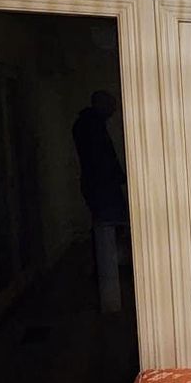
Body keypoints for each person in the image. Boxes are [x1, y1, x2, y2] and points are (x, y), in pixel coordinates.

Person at [72, 90, 127, 310]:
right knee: (106, 229)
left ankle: (107, 273)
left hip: (99, 186)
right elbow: (101, 159)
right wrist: (119, 177)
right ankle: (108, 282)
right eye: (111, 106)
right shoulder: (91, 126)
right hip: (101, 187)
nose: (114, 111)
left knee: (105, 228)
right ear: (101, 105)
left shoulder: (88, 124)